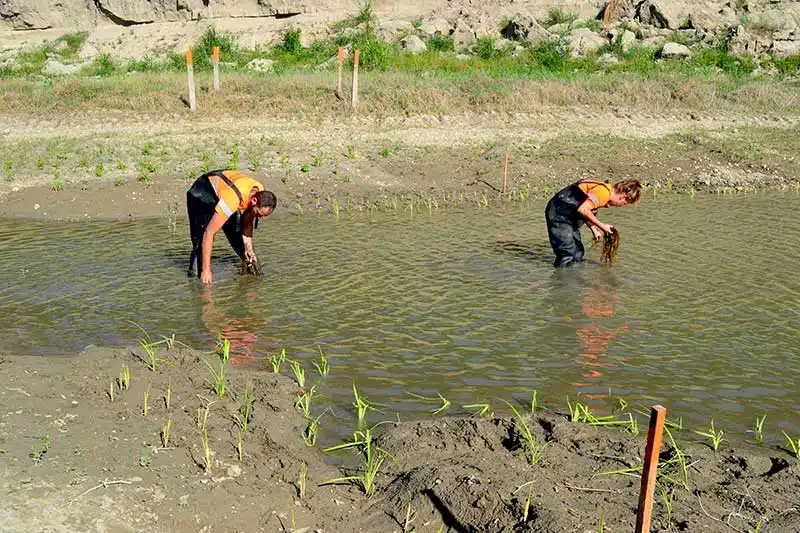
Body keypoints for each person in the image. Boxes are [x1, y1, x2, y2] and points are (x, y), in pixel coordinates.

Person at [186, 169, 277, 284]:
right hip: (203, 193)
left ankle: (250, 281)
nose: (260, 217)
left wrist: (249, 248)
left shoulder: (260, 193)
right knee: (201, 241)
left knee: (243, 247)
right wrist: (206, 270)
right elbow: (209, 233)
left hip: (226, 191)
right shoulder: (232, 200)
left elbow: (248, 219)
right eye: (258, 214)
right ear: (254, 200)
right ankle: (197, 279)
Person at [545, 178, 641, 267]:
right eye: (624, 203)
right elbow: (583, 209)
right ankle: (561, 280)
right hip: (559, 214)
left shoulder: (604, 191)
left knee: (578, 253)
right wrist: (602, 226)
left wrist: (594, 229)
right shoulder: (603, 193)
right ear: (623, 196)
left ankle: (573, 280)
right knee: (567, 253)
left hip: (569, 217)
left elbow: (588, 211)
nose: (620, 206)